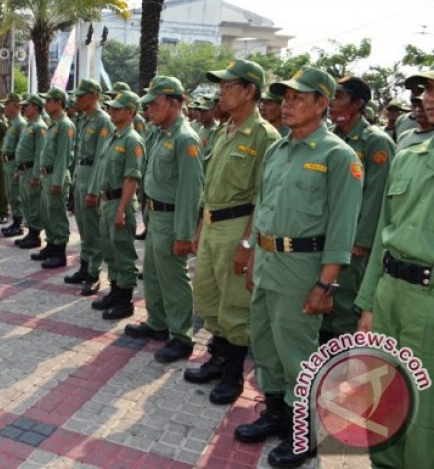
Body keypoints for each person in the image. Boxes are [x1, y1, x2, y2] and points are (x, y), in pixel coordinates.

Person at [233, 67, 363, 468]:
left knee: (298, 354)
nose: (287, 104)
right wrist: (252, 250)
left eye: (298, 97)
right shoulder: (278, 149)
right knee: (266, 345)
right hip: (268, 260)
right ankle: (275, 413)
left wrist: (325, 285)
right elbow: (263, 207)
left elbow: (342, 227)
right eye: (285, 97)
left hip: (302, 267)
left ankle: (302, 431)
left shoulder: (338, 157)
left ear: (323, 104)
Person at [185, 60, 280, 405]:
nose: (220, 92)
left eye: (228, 86)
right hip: (212, 225)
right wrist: (199, 228)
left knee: (236, 305)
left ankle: (232, 376)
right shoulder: (225, 131)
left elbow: (263, 199)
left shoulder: (264, 136)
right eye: (221, 87)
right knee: (209, 297)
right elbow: (209, 187)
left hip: (238, 227)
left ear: (249, 91)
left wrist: (247, 244)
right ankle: (218, 357)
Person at [356, 68, 434, 469]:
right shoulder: (408, 156)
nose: (428, 98)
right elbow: (382, 236)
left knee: (425, 412)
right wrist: (368, 303)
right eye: (429, 90)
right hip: (390, 293)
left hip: (429, 303)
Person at [123, 76, 204, 363]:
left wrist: (184, 234)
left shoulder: (185, 139)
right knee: (154, 275)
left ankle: (182, 336)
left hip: (173, 219)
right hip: (156, 215)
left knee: (174, 279)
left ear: (174, 103)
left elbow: (190, 192)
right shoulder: (159, 133)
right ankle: (157, 323)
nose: (149, 110)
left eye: (154, 104)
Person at [320, 76, 394, 343]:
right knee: (322, 304)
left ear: (359, 103)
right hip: (326, 235)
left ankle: (343, 367)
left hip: (352, 243)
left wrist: (361, 242)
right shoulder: (329, 136)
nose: (332, 104)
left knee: (344, 305)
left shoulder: (376, 142)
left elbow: (377, 196)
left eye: (339, 96)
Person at [91, 91, 144, 320]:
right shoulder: (113, 137)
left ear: (130, 112)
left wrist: (122, 210)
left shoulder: (132, 140)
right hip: (107, 202)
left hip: (119, 202)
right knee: (109, 250)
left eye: (117, 108)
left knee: (123, 252)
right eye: (111, 107)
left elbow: (131, 179)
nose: (111, 111)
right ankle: (115, 290)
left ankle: (125, 300)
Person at [65, 78, 114, 295]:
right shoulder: (85, 119)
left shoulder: (103, 120)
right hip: (81, 175)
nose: (77, 99)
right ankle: (85, 267)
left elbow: (101, 158)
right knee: (83, 228)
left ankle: (94, 273)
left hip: (92, 177)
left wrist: (94, 189)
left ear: (94, 96)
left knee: (93, 230)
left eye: (81, 95)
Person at [30, 87, 75, 268]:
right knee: (47, 213)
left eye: (49, 101)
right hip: (46, 175)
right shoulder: (53, 123)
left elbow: (63, 156)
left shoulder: (65, 125)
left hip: (56, 177)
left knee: (57, 215)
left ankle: (59, 252)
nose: (45, 104)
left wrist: (57, 181)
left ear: (58, 103)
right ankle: (51, 245)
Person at [13, 94, 48, 249]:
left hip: (31, 171)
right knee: (26, 202)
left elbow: (40, 153)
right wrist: (17, 170)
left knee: (34, 203)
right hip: (23, 170)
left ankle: (35, 235)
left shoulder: (40, 127)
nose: (24, 108)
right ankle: (30, 232)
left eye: (27, 106)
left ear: (35, 107)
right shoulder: (29, 125)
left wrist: (36, 176)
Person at [0, 93, 27, 237]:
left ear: (16, 106)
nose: (5, 107)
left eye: (7, 104)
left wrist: (18, 168)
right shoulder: (13, 123)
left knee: (16, 195)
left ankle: (19, 224)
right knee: (10, 194)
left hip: (13, 164)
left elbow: (21, 148)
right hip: (7, 163)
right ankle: (15, 222)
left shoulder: (20, 124)